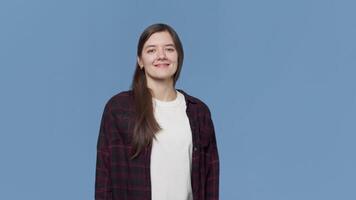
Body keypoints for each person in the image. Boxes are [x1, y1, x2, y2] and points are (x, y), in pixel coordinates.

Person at [95, 23, 219, 200]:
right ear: (140, 61)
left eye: (169, 49)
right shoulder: (119, 109)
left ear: (179, 56)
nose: (161, 56)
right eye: (151, 50)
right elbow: (104, 180)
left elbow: (210, 181)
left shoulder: (199, 113)